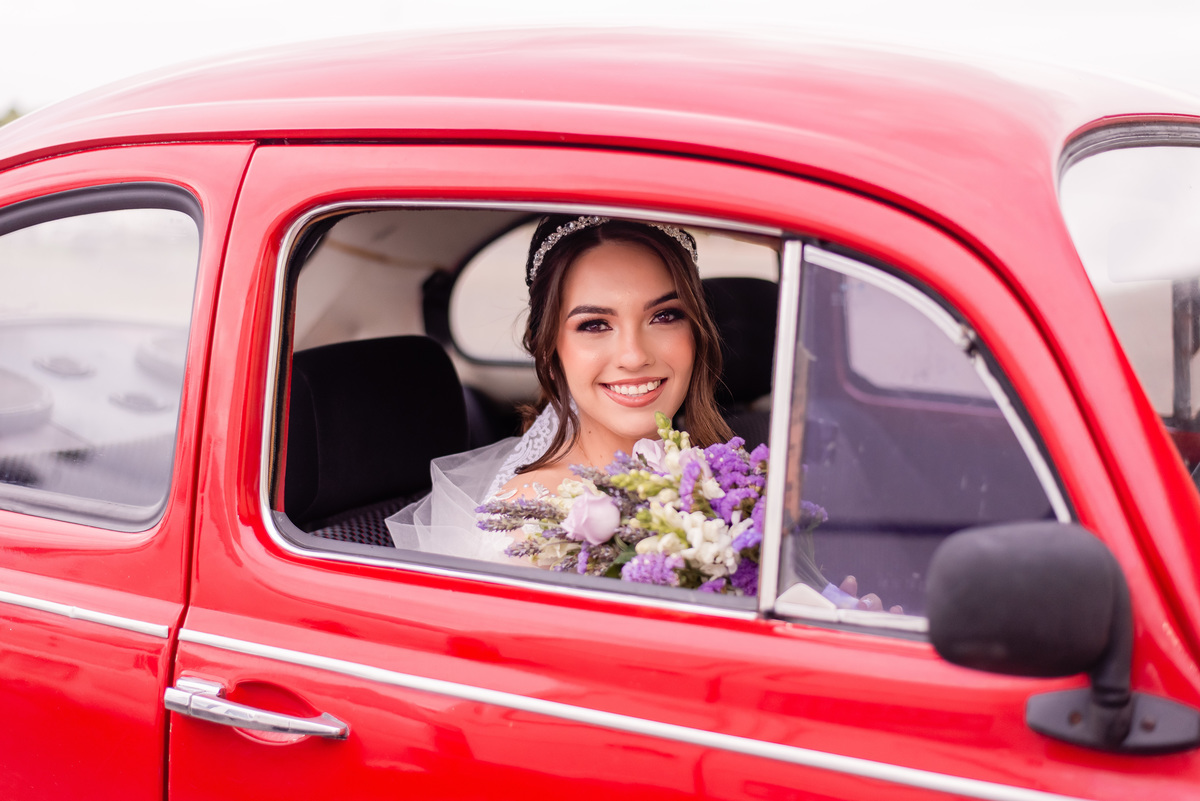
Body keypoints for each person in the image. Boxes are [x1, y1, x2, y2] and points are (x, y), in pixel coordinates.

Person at [386, 214, 895, 611]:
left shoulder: (727, 479)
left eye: (664, 316)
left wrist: (830, 612)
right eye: (594, 325)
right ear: (548, 348)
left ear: (696, 332)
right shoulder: (529, 522)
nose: (634, 354)